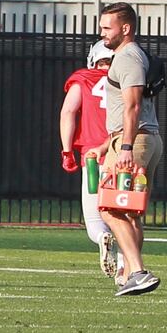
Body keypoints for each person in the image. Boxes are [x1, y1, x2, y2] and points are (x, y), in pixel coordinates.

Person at [84, 3, 165, 297]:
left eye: (107, 27)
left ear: (126, 28)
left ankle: (139, 272)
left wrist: (126, 147)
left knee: (108, 208)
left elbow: (132, 106)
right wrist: (105, 145)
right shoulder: (129, 56)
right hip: (138, 138)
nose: (102, 33)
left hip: (135, 140)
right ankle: (131, 274)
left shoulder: (128, 57)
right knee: (130, 213)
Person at [59, 40, 117, 279]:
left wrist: (66, 150)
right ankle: (126, 266)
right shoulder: (129, 79)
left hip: (93, 158)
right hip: (124, 153)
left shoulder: (83, 79)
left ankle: (102, 238)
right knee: (127, 214)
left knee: (94, 219)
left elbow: (68, 112)